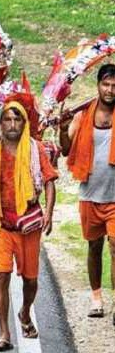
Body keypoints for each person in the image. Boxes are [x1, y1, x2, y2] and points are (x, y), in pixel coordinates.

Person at [0, 95, 58, 351]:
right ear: (1, 123)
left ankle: (25, 312)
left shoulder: (36, 149)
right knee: (1, 276)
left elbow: (49, 181)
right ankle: (4, 333)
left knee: (30, 280)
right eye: (7, 118)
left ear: (24, 122)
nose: (13, 123)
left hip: (28, 226)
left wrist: (48, 212)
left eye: (17, 118)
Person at [59, 63, 115, 325]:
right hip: (90, 194)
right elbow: (65, 149)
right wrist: (62, 128)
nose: (110, 90)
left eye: (114, 85)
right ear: (98, 86)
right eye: (106, 84)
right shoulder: (83, 116)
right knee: (94, 247)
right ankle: (96, 298)